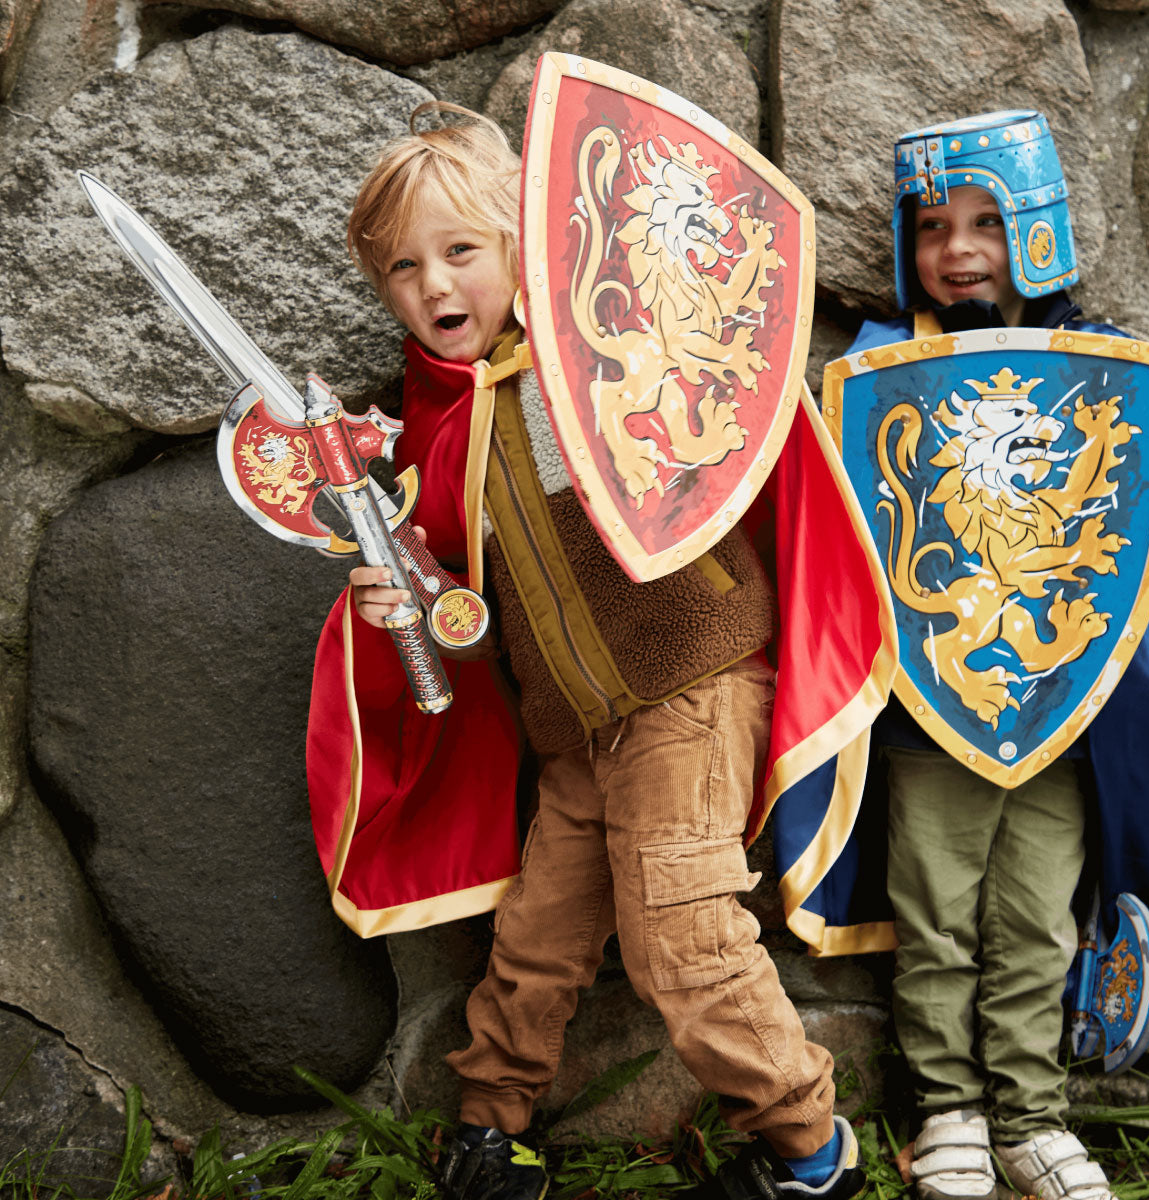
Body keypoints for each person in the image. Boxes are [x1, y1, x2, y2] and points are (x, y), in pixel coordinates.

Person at [330, 101, 874, 1200]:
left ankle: (812, 1153)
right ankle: (492, 1132)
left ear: (526, 240)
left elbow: (714, 436)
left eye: (462, 251)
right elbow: (465, 603)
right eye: (402, 268)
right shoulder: (443, 422)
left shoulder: (608, 348)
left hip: (692, 682)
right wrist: (409, 600)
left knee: (680, 930)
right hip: (578, 729)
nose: (435, 287)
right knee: (534, 938)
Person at [831, 110, 1149, 1200]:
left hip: (1062, 698)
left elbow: (1137, 546)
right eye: (935, 225)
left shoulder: (1098, 373)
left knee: (1041, 913)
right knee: (935, 910)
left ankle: (1031, 1118)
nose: (959, 250)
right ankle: (948, 1107)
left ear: (1033, 226)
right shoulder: (875, 372)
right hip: (932, 697)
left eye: (987, 222)